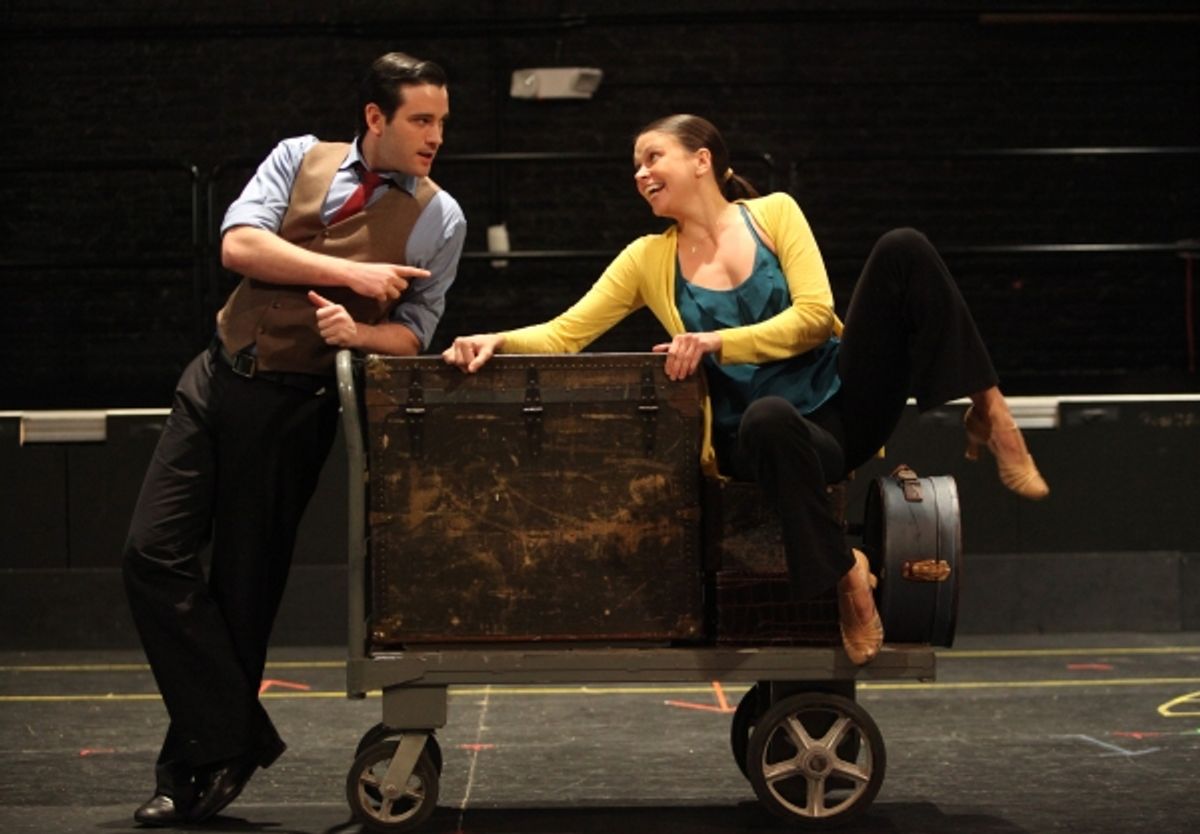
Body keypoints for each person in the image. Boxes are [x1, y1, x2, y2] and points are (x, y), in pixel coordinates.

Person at [442, 113, 1047, 667]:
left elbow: (815, 316)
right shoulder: (646, 259)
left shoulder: (775, 213)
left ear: (702, 159)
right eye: (636, 165)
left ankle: (991, 412)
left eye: (653, 157)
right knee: (767, 415)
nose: (640, 173)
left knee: (902, 249)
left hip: (844, 404)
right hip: (765, 437)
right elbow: (564, 333)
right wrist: (496, 338)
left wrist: (714, 343)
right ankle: (847, 576)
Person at [122, 51, 466, 827]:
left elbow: (415, 337)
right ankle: (238, 735)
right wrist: (351, 277)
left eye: (441, 121)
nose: (435, 136)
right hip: (217, 374)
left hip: (293, 407)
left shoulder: (439, 217)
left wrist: (360, 332)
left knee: (244, 593)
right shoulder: (297, 158)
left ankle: (193, 768)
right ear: (376, 119)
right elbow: (240, 247)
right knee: (149, 553)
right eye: (421, 119)